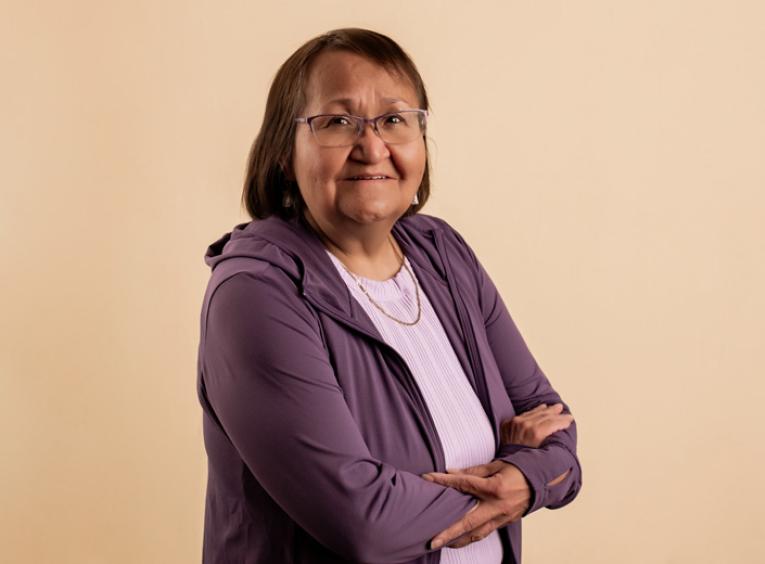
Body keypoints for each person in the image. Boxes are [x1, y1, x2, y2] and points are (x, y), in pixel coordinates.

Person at [197, 27, 582, 564]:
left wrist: (536, 475)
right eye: (337, 122)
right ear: (285, 152)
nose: (371, 147)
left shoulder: (443, 254)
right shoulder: (257, 293)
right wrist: (519, 483)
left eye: (395, 120)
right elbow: (363, 522)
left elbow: (557, 431)